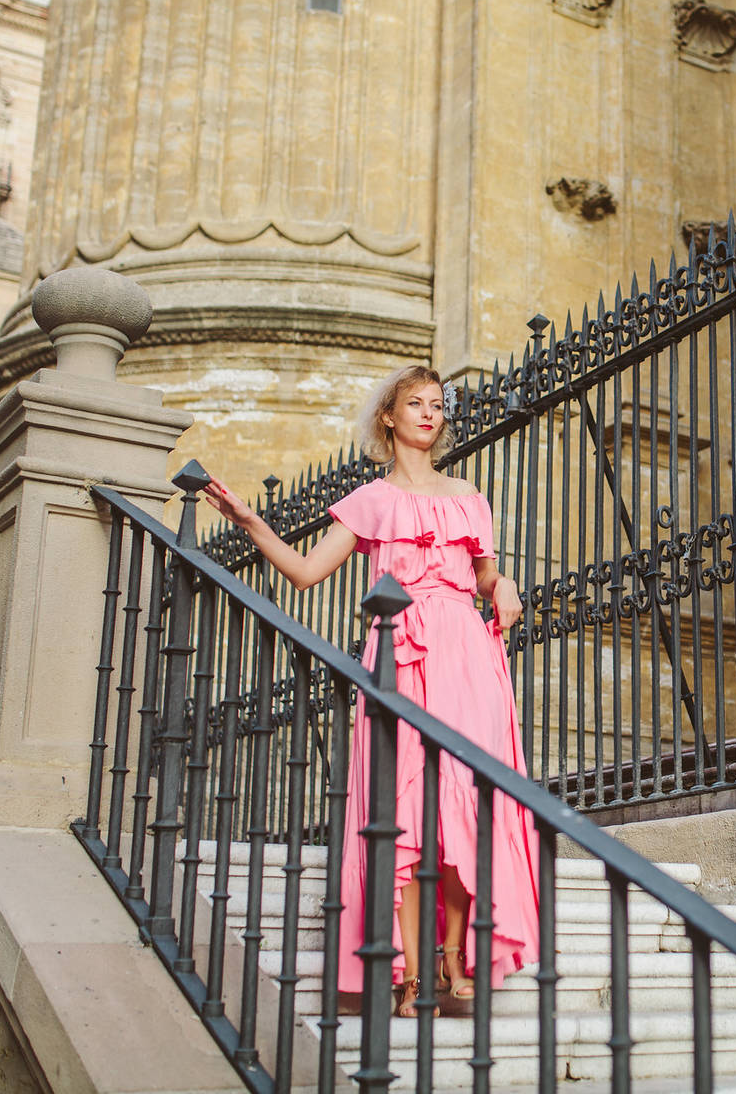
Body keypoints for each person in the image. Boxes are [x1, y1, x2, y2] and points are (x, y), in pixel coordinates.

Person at [203, 364, 539, 1019]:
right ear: (388, 417)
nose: (428, 413)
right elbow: (304, 572)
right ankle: (413, 973)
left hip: (468, 653)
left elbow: (487, 577)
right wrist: (250, 522)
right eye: (415, 403)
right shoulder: (371, 500)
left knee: (470, 801)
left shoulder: (469, 495)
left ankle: (453, 955)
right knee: (407, 810)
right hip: (400, 652)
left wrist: (506, 589)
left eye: (437, 405)